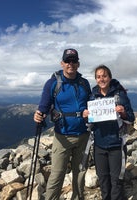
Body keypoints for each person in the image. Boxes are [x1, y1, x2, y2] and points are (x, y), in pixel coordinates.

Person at [34, 48, 91, 200]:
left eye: (73, 61)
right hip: (62, 136)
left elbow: (92, 104)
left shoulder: (84, 84)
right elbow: (44, 106)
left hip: (84, 135)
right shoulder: (53, 83)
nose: (70, 64)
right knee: (57, 174)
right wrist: (39, 114)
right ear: (62, 63)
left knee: (80, 174)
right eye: (67, 61)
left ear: (78, 64)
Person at [83, 65, 135, 200]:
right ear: (95, 79)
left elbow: (131, 118)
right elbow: (89, 124)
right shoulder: (93, 96)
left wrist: (123, 112)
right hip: (99, 145)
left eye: (104, 76)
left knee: (116, 180)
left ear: (110, 77)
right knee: (103, 180)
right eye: (98, 77)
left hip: (116, 144)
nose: (101, 79)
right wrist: (86, 116)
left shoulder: (119, 95)